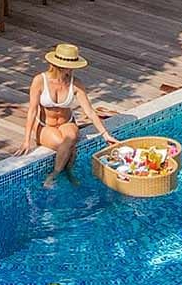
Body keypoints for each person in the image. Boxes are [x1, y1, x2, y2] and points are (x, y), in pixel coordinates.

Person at [22, 43, 118, 186]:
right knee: (67, 146)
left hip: (67, 123)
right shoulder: (40, 81)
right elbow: (32, 110)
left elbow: (89, 111)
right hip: (45, 125)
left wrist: (105, 135)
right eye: (70, 66)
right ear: (59, 65)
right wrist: (26, 140)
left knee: (69, 139)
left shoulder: (75, 83)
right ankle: (67, 172)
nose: (73, 69)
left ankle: (55, 174)